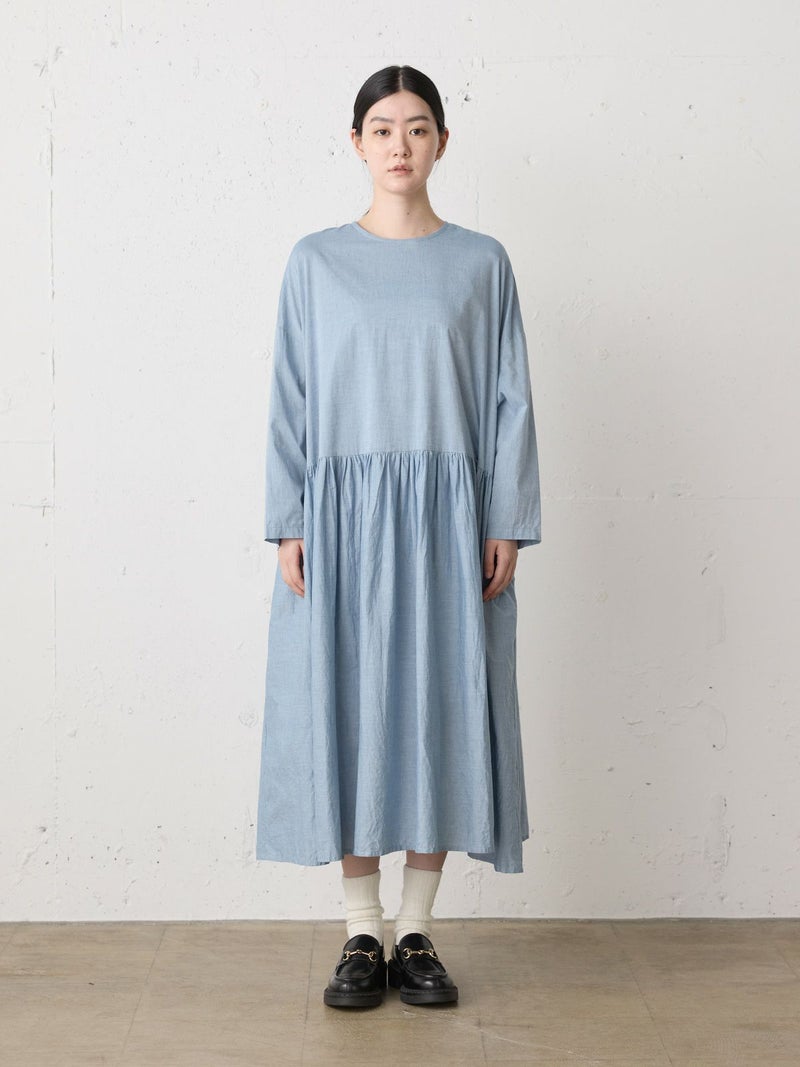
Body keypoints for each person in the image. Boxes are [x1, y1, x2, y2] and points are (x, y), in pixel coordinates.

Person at [256, 64, 541, 1010]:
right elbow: (291, 397)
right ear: (356, 142)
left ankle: (416, 928)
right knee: (347, 702)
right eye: (382, 128)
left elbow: (509, 399)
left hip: (447, 523)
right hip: (342, 521)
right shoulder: (315, 262)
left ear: (442, 143)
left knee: (438, 706)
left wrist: (505, 518)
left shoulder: (482, 263)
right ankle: (359, 929)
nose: (400, 145)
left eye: (417, 128)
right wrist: (289, 519)